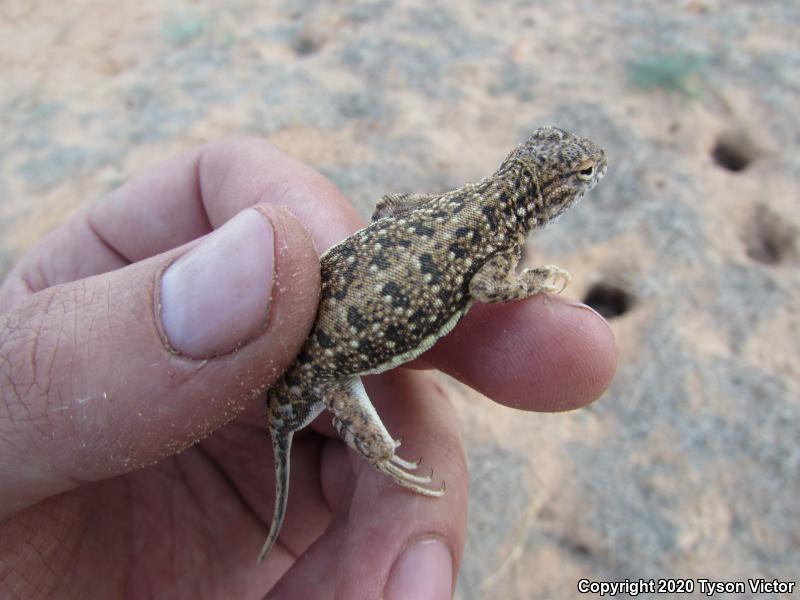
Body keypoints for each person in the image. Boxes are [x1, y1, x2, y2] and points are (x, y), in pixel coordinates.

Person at [0, 138, 617, 598]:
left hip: (327, 302)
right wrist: (533, 280)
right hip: (326, 357)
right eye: (584, 175)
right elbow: (485, 285)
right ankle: (372, 451)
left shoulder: (460, 203)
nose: (589, 178)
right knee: (382, 445)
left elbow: (391, 205)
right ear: (548, 192)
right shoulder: (496, 245)